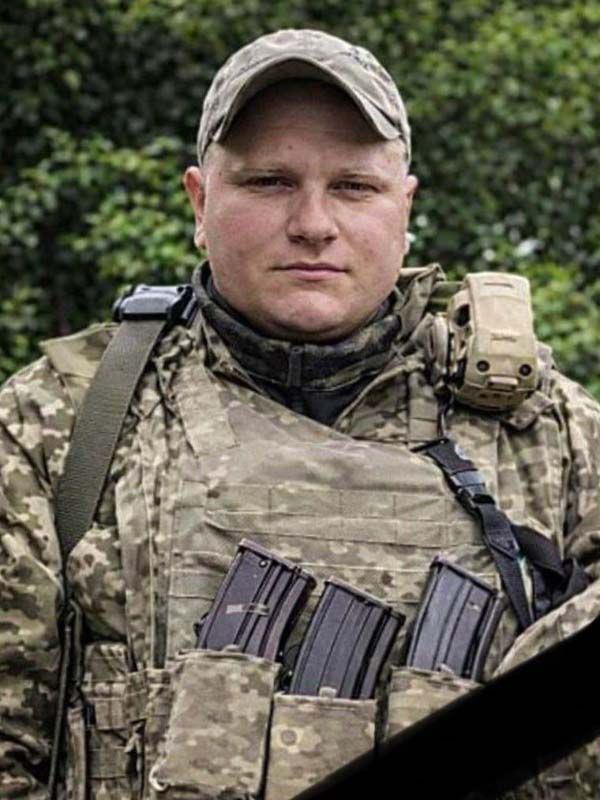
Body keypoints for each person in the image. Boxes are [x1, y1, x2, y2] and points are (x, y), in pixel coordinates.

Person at [1, 27, 599, 800]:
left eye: (354, 187)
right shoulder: (61, 422)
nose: (314, 223)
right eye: (269, 182)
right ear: (200, 202)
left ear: (405, 207)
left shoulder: (552, 435)